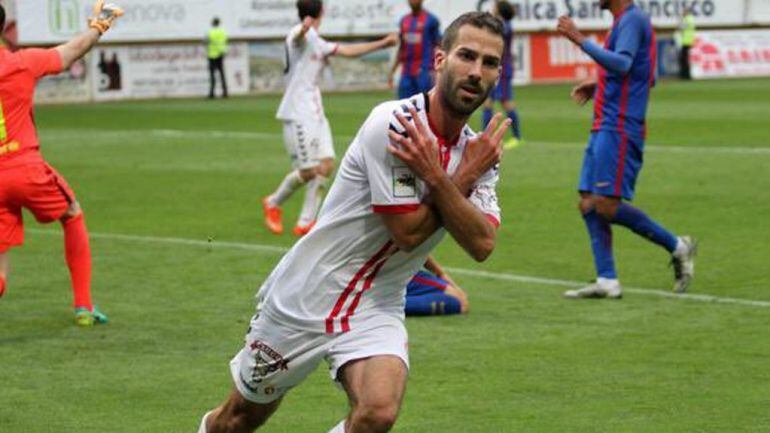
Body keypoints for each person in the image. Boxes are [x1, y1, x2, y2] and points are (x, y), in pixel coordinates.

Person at [199, 11, 509, 433]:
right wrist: (459, 178)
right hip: (310, 292)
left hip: (377, 301)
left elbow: (482, 244)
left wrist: (447, 176)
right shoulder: (396, 124)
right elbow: (408, 234)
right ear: (440, 60)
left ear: (498, 73)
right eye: (466, 56)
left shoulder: (480, 153)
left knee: (377, 411)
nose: (476, 72)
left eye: (489, 63)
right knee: (235, 421)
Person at [556, 0, 697, 300]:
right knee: (587, 202)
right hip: (603, 124)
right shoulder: (624, 21)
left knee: (606, 204)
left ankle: (677, 246)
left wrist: (578, 38)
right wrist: (599, 83)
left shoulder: (632, 20)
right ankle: (607, 280)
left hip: (620, 127)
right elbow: (647, 75)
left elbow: (622, 63)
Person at [0, 0, 123, 325]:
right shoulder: (22, 63)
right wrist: (100, 25)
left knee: (0, 262)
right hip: (24, 166)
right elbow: (71, 51)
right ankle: (83, 305)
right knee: (71, 213)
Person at [262, 0, 397, 237]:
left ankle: (306, 223)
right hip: (298, 114)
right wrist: (304, 27)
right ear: (321, 12)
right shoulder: (299, 35)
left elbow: (347, 51)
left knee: (325, 166)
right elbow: (297, 38)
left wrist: (383, 43)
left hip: (316, 114)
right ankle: (273, 203)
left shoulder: (318, 41)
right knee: (308, 172)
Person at [482, 0, 523, 150]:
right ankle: (484, 138)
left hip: (502, 70)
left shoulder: (504, 27)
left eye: (495, 7)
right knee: (487, 102)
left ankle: (517, 137)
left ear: (500, 10)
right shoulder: (502, 25)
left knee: (506, 102)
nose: (493, 8)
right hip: (494, 68)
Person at [388, 0, 442, 99]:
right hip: (406, 72)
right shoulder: (404, 20)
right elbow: (402, 47)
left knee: (425, 106)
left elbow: (440, 45)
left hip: (424, 71)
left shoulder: (431, 20)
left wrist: (439, 70)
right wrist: (392, 71)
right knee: (403, 106)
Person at [207, 17, 229, 99]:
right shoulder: (223, 32)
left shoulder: (210, 32)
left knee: (212, 75)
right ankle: (225, 92)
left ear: (213, 23)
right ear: (219, 23)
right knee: (222, 74)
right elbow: (225, 41)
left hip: (212, 54)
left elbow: (207, 41)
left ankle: (212, 93)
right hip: (221, 53)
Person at [677, 6, 696, 80]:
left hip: (686, 41)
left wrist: (680, 21)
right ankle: (686, 75)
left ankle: (686, 76)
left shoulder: (688, 19)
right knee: (685, 59)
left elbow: (681, 27)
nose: (683, 12)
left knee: (684, 59)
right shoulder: (689, 19)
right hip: (687, 41)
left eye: (684, 11)